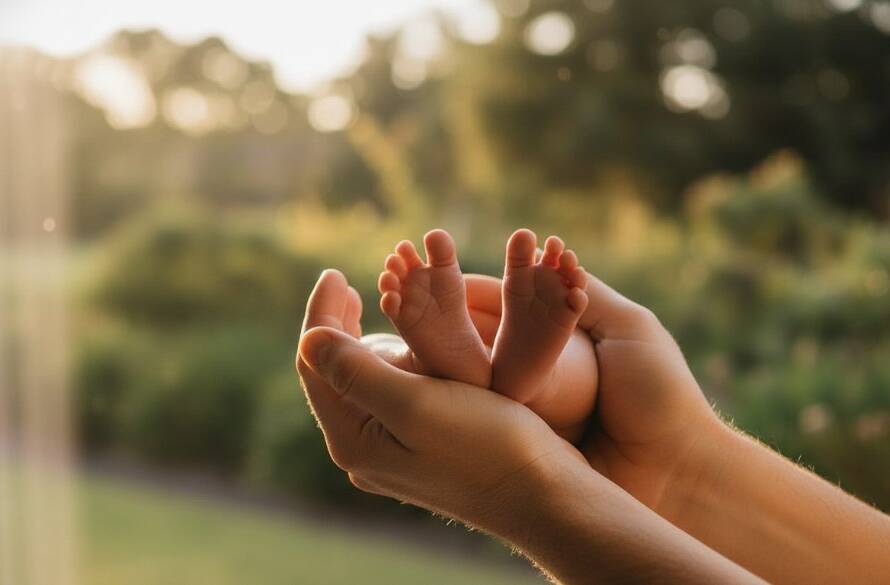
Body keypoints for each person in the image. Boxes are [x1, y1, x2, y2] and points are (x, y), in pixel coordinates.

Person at [296, 229, 890, 584]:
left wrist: (536, 495)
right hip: (623, 433)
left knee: (567, 378)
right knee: (580, 385)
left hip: (613, 441)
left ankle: (512, 369)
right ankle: (526, 372)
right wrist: (677, 458)